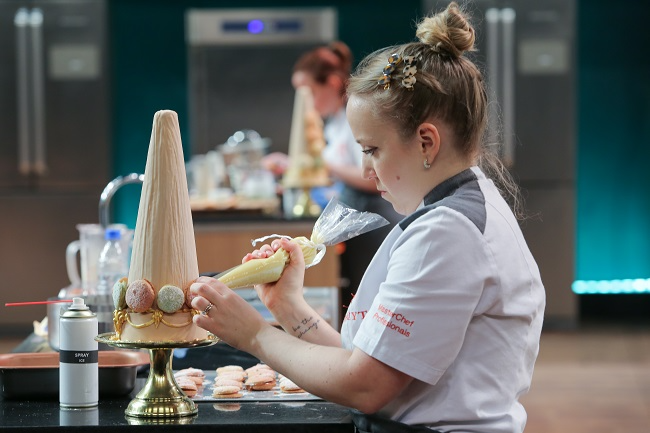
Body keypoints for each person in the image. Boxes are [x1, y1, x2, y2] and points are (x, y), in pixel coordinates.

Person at [191, 3, 545, 432]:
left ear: (426, 142)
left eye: (372, 150)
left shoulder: (447, 232)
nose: (364, 170)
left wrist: (253, 335)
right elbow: (367, 359)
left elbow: (366, 386)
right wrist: (287, 306)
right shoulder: (452, 211)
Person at [266, 41, 401, 316]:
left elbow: (373, 177)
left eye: (311, 93)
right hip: (357, 219)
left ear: (332, 82)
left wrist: (321, 163)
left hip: (375, 220)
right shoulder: (336, 121)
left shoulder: (358, 114)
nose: (308, 103)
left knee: (373, 301)